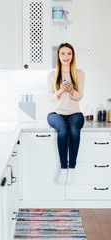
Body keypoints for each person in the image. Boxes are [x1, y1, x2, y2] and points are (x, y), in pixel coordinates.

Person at [47, 42, 85, 185]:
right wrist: (61, 90)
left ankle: (72, 168)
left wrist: (71, 91)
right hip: (55, 113)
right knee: (63, 129)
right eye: (63, 53)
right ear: (58, 56)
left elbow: (79, 97)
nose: (66, 56)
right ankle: (64, 168)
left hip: (74, 112)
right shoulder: (52, 75)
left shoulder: (79, 73)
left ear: (73, 56)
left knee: (74, 130)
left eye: (69, 53)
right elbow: (50, 98)